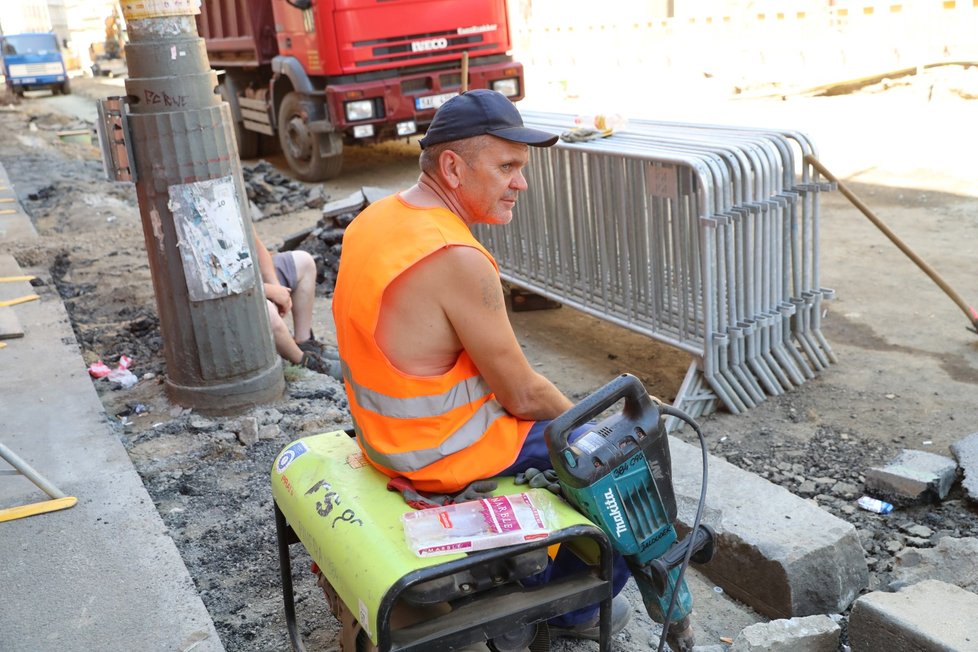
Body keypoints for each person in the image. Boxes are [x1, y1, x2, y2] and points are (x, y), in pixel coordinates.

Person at [331, 89, 631, 640]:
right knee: (621, 469)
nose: (521, 183)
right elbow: (522, 395)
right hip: (440, 453)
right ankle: (564, 610)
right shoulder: (457, 258)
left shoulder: (376, 221)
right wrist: (588, 432)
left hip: (384, 437)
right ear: (452, 167)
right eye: (507, 167)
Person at [254, 230, 340, 379]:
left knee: (304, 261)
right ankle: (303, 361)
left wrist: (277, 287)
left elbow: (257, 246)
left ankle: (304, 342)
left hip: (252, 278)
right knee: (268, 311)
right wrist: (268, 291)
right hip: (224, 297)